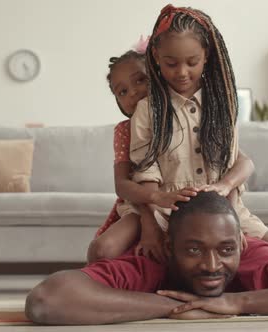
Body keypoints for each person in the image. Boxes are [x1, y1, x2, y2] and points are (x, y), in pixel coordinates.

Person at [25, 191, 268, 325]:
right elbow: (47, 301)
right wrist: (176, 306)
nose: (210, 265)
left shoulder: (254, 256)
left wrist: (237, 302)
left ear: (241, 242)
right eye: (192, 250)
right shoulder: (152, 260)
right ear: (169, 247)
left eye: (225, 250)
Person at [130, 4, 268, 258]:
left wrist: (231, 223)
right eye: (171, 63)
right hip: (168, 214)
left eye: (192, 62)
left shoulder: (223, 105)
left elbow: (230, 168)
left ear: (207, 55)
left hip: (226, 212)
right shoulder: (147, 110)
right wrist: (152, 222)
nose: (182, 72)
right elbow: (146, 174)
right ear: (155, 56)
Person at [87, 39, 256, 262]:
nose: (134, 92)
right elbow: (126, 184)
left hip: (186, 202)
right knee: (102, 249)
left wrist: (227, 199)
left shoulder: (186, 115)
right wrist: (148, 221)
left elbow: (240, 161)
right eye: (122, 92)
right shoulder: (125, 131)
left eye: (140, 80)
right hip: (142, 205)